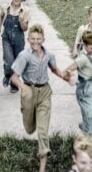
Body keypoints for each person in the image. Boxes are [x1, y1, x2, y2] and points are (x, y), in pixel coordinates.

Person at [10, 24, 64, 172]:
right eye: (32, 39)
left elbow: (54, 69)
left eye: (38, 39)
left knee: (42, 131)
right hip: (28, 92)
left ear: (43, 39)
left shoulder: (49, 55)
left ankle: (42, 167)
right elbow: (14, 77)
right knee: (29, 128)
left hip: (45, 92)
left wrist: (66, 77)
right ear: (28, 39)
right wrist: (23, 87)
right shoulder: (24, 55)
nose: (35, 41)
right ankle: (30, 121)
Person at [64, 31, 92, 135]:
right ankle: (88, 130)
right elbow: (67, 70)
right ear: (85, 45)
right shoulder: (82, 58)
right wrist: (70, 78)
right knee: (90, 116)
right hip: (87, 92)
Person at [0, 0, 30, 93]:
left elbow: (25, 29)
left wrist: (21, 22)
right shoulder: (5, 7)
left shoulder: (25, 10)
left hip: (19, 39)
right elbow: (1, 17)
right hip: (7, 39)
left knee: (17, 63)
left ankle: (14, 84)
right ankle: (7, 75)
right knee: (9, 62)